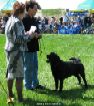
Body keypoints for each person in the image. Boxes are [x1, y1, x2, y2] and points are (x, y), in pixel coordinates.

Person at [5, 1, 33, 103]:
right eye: (24, 12)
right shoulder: (17, 21)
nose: (25, 14)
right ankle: (20, 98)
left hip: (9, 49)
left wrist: (24, 33)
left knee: (10, 73)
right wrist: (29, 35)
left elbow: (15, 35)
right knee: (19, 76)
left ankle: (10, 96)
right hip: (16, 51)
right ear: (21, 12)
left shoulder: (10, 19)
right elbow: (18, 39)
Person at [23, 0, 45, 90]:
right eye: (35, 9)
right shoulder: (24, 19)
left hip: (34, 47)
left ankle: (35, 84)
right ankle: (28, 86)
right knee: (28, 67)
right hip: (27, 47)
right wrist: (30, 35)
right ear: (29, 9)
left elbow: (38, 32)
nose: (36, 10)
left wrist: (38, 35)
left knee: (35, 66)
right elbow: (22, 33)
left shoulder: (34, 19)